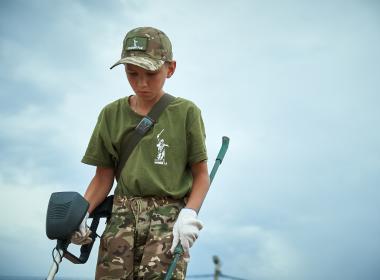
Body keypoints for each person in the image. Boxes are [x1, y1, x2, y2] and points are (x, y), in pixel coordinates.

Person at [71, 27, 210, 280]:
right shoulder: (111, 114)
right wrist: (82, 212)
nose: (141, 82)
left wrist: (189, 213)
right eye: (132, 73)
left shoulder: (186, 113)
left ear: (170, 68)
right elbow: (103, 177)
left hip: (167, 223)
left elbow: (201, 174)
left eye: (151, 73)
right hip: (121, 218)